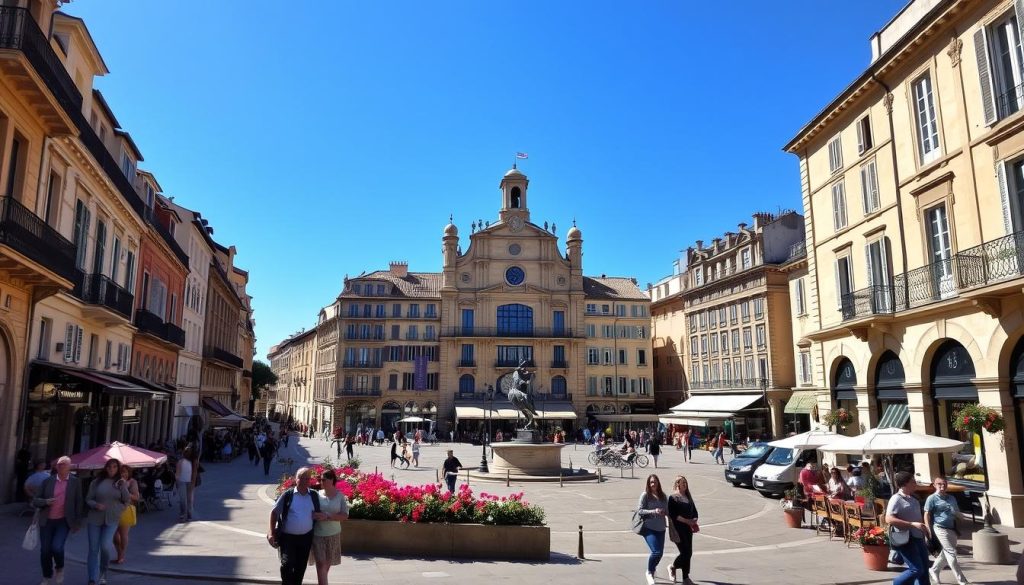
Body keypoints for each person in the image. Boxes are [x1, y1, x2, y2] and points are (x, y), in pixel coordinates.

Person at [33, 455, 85, 585]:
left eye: (64, 464)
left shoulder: (75, 482)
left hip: (63, 521)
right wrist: (45, 501)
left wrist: (78, 522)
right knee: (45, 550)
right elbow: (35, 500)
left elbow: (79, 502)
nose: (61, 466)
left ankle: (60, 568)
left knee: (57, 547)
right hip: (47, 521)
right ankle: (46, 576)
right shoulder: (48, 481)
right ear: (56, 467)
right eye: (59, 464)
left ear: (69, 467)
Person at [268, 467, 320, 585]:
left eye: (307, 478)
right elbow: (274, 513)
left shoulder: (314, 496)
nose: (304, 481)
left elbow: (323, 509)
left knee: (300, 568)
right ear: (296, 479)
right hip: (288, 538)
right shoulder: (288, 495)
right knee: (286, 564)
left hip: (306, 538)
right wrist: (271, 533)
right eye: (301, 478)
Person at [85, 458, 131, 585]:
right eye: (109, 467)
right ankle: (92, 579)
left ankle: (103, 572)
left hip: (112, 520)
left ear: (118, 469)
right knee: (93, 549)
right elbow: (88, 499)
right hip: (95, 518)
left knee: (105, 546)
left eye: (115, 467)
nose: (111, 469)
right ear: (105, 468)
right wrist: (95, 505)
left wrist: (119, 509)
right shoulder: (96, 482)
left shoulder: (120, 483)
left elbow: (127, 501)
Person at [886, 471, 932, 585]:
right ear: (905, 484)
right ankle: (897, 583)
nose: (915, 483)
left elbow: (918, 518)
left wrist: (925, 531)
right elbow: (889, 519)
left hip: (918, 538)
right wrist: (911, 524)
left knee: (924, 570)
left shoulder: (913, 498)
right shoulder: (896, 499)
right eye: (913, 481)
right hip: (906, 539)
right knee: (916, 569)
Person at [925, 476, 970, 585]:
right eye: (939, 484)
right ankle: (962, 580)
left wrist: (960, 517)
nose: (942, 486)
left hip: (952, 528)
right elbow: (927, 513)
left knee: (946, 553)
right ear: (935, 485)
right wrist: (927, 528)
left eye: (944, 484)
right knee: (951, 553)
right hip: (940, 528)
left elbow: (956, 512)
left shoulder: (951, 498)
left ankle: (934, 570)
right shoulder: (932, 498)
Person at [309, 469, 349, 585]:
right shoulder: (316, 495)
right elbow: (310, 511)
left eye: (323, 480)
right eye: (320, 479)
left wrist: (327, 516)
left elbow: (345, 515)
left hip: (333, 534)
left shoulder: (340, 496)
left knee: (326, 565)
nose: (321, 482)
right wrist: (315, 515)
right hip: (318, 535)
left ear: (332, 480)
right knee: (321, 564)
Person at [636, 474, 668, 585]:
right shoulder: (645, 495)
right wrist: (653, 511)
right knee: (656, 552)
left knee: (660, 554)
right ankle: (649, 572)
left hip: (661, 528)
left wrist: (665, 512)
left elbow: (668, 511)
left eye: (655, 482)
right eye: (651, 482)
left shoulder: (663, 496)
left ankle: (653, 568)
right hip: (649, 528)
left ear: (658, 483)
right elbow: (640, 511)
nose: (653, 484)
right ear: (648, 484)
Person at [667, 475, 698, 585]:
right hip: (678, 529)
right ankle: (673, 567)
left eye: (685, 482)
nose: (684, 484)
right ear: (677, 484)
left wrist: (694, 519)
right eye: (682, 482)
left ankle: (686, 578)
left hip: (688, 529)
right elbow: (673, 515)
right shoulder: (673, 498)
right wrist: (687, 521)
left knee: (689, 553)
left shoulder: (688, 497)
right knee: (685, 553)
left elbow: (694, 511)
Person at [113, 464, 140, 564]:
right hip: (114, 510)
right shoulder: (115, 482)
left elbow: (136, 497)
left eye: (125, 471)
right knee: (114, 536)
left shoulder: (132, 482)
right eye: (121, 472)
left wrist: (124, 489)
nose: (122, 474)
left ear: (128, 472)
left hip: (126, 510)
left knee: (123, 534)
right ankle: (119, 553)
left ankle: (121, 556)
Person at [176, 448, 195, 522]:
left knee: (188, 499)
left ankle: (188, 514)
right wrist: (177, 481)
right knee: (183, 499)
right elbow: (177, 473)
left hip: (188, 482)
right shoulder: (181, 462)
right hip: (182, 482)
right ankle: (183, 514)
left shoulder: (192, 462)